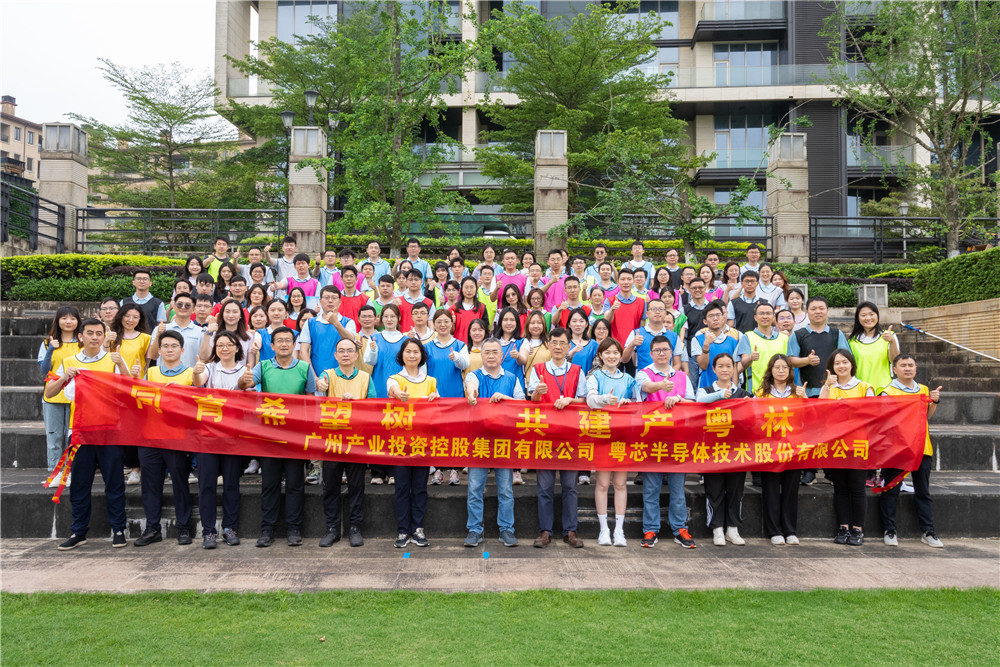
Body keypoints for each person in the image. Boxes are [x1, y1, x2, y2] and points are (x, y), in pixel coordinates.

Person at [46, 319, 131, 550]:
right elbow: (50, 393)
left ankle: (118, 529)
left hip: (109, 431)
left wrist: (121, 365)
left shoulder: (112, 359)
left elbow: (130, 388)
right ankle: (79, 531)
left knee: (114, 483)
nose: (94, 337)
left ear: (104, 336)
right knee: (80, 484)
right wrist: (64, 377)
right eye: (90, 333)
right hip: (80, 432)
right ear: (81, 336)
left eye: (99, 333)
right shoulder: (69, 362)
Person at [239, 326, 316, 547]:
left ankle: (294, 529)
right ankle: (267, 529)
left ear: (294, 344)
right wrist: (244, 379)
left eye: (288, 340)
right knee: (269, 485)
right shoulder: (263, 366)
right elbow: (245, 385)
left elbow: (310, 401)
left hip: (295, 436)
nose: (284, 344)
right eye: (279, 340)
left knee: (295, 484)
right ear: (271, 345)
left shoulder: (304, 368)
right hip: (269, 436)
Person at [133, 330, 204, 547]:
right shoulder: (151, 372)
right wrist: (134, 378)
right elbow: (138, 398)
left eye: (174, 346)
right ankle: (152, 528)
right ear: (159, 350)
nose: (169, 349)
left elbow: (199, 393)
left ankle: (183, 527)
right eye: (165, 346)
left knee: (180, 483)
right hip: (151, 437)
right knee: (150, 484)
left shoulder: (190, 372)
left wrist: (197, 376)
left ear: (182, 350)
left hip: (177, 437)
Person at [527, 327, 588, 548]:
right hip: (545, 436)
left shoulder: (577, 370)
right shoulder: (538, 369)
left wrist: (570, 400)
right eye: (554, 342)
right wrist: (537, 392)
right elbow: (532, 400)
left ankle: (570, 531)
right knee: (544, 487)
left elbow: (584, 400)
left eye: (563, 343)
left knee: (570, 486)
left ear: (569, 346)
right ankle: (545, 531)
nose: (558, 347)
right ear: (549, 345)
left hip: (570, 436)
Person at [636, 335, 698, 549]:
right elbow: (645, 387)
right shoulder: (644, 373)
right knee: (651, 489)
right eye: (657, 350)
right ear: (651, 354)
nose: (662, 353)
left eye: (665, 349)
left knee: (678, 489)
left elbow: (693, 403)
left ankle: (680, 529)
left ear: (672, 352)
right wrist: (660, 385)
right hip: (652, 439)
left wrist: (679, 399)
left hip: (677, 439)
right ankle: (650, 529)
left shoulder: (681, 376)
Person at [463, 338, 525, 548]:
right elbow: (471, 387)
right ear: (481, 355)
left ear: (502, 355)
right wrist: (472, 394)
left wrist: (506, 399)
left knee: (506, 489)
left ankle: (507, 529)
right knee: (474, 489)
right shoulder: (474, 375)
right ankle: (474, 529)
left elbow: (522, 404)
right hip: (478, 441)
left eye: (495, 352)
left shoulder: (512, 378)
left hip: (503, 442)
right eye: (487, 352)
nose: (490, 356)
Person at [314, 337, 375, 548]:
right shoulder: (328, 375)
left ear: (356, 355)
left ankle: (355, 527)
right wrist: (320, 385)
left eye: (350, 350)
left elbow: (374, 406)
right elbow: (320, 388)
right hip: (332, 440)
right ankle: (332, 528)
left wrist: (357, 403)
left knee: (356, 485)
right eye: (341, 351)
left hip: (356, 440)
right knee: (330, 486)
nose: (346, 354)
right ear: (335, 355)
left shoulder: (365, 377)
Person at [879, 354, 944, 548]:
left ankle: (928, 531)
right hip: (897, 448)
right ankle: (889, 530)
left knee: (923, 491)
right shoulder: (888, 392)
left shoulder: (923, 389)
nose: (907, 368)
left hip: (922, 447)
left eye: (910, 365)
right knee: (891, 490)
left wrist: (934, 402)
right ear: (894, 369)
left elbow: (926, 416)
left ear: (916, 368)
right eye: (903, 365)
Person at [193, 330, 248, 548]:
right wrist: (196, 373)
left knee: (231, 484)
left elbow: (249, 394)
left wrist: (245, 383)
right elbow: (199, 382)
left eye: (229, 345)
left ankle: (229, 528)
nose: (224, 349)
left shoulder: (245, 371)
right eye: (220, 345)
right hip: (208, 436)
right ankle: (208, 531)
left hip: (233, 437)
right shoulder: (209, 368)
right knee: (206, 485)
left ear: (237, 348)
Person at [820, 348, 875, 546]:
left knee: (858, 488)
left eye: (845, 362)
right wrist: (827, 386)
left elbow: (871, 415)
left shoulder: (864, 387)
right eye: (837, 363)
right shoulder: (829, 387)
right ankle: (843, 527)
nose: (841, 366)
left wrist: (849, 408)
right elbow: (819, 410)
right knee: (840, 488)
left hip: (858, 444)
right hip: (836, 445)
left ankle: (857, 529)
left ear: (852, 364)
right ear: (831, 367)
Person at [696, 353, 752, 546]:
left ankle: (733, 529)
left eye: (729, 366)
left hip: (737, 451)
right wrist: (721, 395)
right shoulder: (706, 391)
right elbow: (699, 402)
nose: (725, 369)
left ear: (734, 369)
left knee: (736, 490)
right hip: (713, 451)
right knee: (714, 490)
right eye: (720, 366)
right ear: (714, 369)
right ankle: (717, 529)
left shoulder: (743, 394)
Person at [585, 339, 637, 547]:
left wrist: (628, 402)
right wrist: (605, 399)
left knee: (621, 484)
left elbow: (639, 404)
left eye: (616, 352)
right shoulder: (595, 377)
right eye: (607, 352)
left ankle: (619, 530)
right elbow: (590, 400)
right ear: (600, 355)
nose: (612, 356)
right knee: (603, 483)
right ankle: (604, 529)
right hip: (602, 435)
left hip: (622, 436)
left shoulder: (629, 379)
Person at [388, 339, 439, 547]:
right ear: (402, 355)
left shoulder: (431, 381)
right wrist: (397, 393)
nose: (412, 355)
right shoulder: (395, 379)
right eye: (408, 351)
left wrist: (436, 397)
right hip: (400, 442)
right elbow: (392, 389)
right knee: (401, 487)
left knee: (419, 487)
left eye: (416, 352)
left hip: (422, 442)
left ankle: (418, 529)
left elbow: (438, 409)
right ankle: (402, 531)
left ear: (422, 355)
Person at [755, 354, 805, 545]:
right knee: (771, 490)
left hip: (793, 449)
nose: (781, 371)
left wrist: (805, 398)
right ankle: (774, 531)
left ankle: (790, 530)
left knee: (791, 490)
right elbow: (755, 419)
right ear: (771, 370)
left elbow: (808, 418)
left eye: (785, 367)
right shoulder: (761, 393)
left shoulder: (797, 392)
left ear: (790, 371)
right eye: (777, 367)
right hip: (769, 449)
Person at [38, 306, 82, 478]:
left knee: (73, 436)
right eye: (64, 318)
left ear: (78, 321)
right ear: (57, 321)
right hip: (54, 394)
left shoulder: (83, 342)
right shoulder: (48, 342)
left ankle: (72, 471)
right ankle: (55, 472)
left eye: (72, 318)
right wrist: (51, 349)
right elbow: (44, 369)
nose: (68, 321)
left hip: (76, 395)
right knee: (54, 436)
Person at [691, 300, 745, 389]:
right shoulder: (697, 339)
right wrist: (706, 345)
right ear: (705, 321)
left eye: (718, 315)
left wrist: (734, 389)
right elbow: (703, 366)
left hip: (728, 389)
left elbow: (734, 369)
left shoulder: (733, 341)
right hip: (706, 388)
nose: (715, 318)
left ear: (723, 318)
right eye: (711, 316)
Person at [848, 301, 900, 394]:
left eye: (871, 314)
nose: (868, 318)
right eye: (863, 315)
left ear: (877, 316)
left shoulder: (889, 336)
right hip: (861, 390)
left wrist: (892, 341)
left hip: (884, 390)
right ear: (858, 318)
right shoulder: (852, 341)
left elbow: (896, 361)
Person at [740, 301, 789, 395]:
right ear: (755, 317)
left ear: (773, 317)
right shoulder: (747, 336)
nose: (765, 316)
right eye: (761, 313)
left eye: (768, 313)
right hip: (756, 391)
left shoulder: (784, 338)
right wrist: (751, 357)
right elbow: (744, 363)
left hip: (781, 392)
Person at [623, 298, 682, 373]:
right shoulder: (636, 333)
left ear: (665, 313)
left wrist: (670, 377)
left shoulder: (674, 336)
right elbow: (624, 360)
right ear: (647, 314)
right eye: (653, 309)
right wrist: (632, 344)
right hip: (644, 378)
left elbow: (677, 364)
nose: (657, 312)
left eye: (661, 309)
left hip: (666, 378)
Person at [148, 293, 202, 369]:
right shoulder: (160, 329)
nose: (183, 307)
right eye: (179, 304)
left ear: (194, 309)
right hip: (164, 374)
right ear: (174, 307)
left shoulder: (201, 332)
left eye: (187, 305)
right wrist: (158, 335)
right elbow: (153, 356)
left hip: (190, 374)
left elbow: (205, 358)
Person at [607, 268, 646, 347]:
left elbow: (642, 327)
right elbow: (607, 321)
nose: (626, 282)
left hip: (633, 347)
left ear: (634, 281)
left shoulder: (641, 302)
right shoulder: (610, 300)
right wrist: (612, 309)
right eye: (623, 279)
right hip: (614, 347)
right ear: (618, 282)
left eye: (629, 279)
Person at [452, 276, 487, 344]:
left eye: (472, 287)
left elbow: (485, 328)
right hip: (458, 345)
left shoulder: (481, 308)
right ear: (461, 289)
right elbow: (450, 331)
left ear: (476, 288)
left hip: (476, 345)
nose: (469, 290)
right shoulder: (454, 308)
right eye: (466, 287)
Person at [565, 308, 598, 375]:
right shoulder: (564, 343)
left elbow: (596, 368)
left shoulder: (594, 344)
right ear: (569, 324)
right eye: (574, 321)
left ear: (586, 324)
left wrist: (585, 379)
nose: (578, 324)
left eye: (581, 321)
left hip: (587, 380)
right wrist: (573, 351)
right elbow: (558, 362)